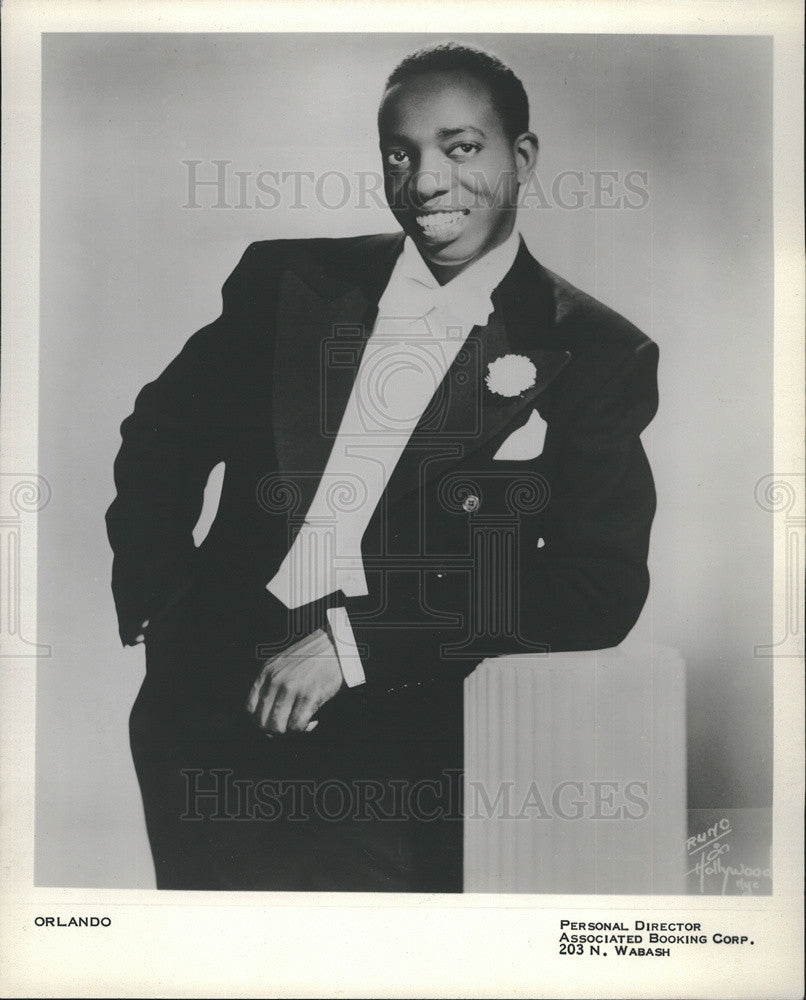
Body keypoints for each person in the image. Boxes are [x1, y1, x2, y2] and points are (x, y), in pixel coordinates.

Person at [105, 42, 659, 891]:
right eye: (400, 155)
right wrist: (163, 606)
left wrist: (361, 646)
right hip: (200, 718)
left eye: (460, 148)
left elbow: (598, 588)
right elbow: (160, 435)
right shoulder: (285, 278)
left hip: (397, 749)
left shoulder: (594, 352)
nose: (426, 181)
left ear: (522, 157)